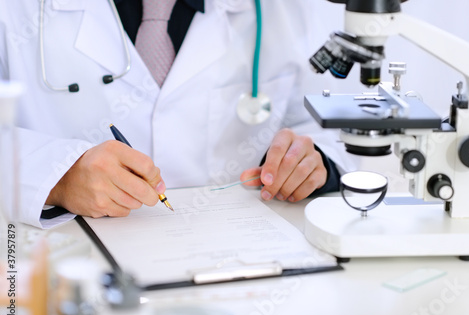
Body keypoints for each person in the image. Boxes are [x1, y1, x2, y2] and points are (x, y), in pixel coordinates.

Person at [0, 0, 357, 228]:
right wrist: (59, 177)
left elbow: (329, 126)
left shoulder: (284, 7)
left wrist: (313, 163)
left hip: (240, 260)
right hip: (71, 261)